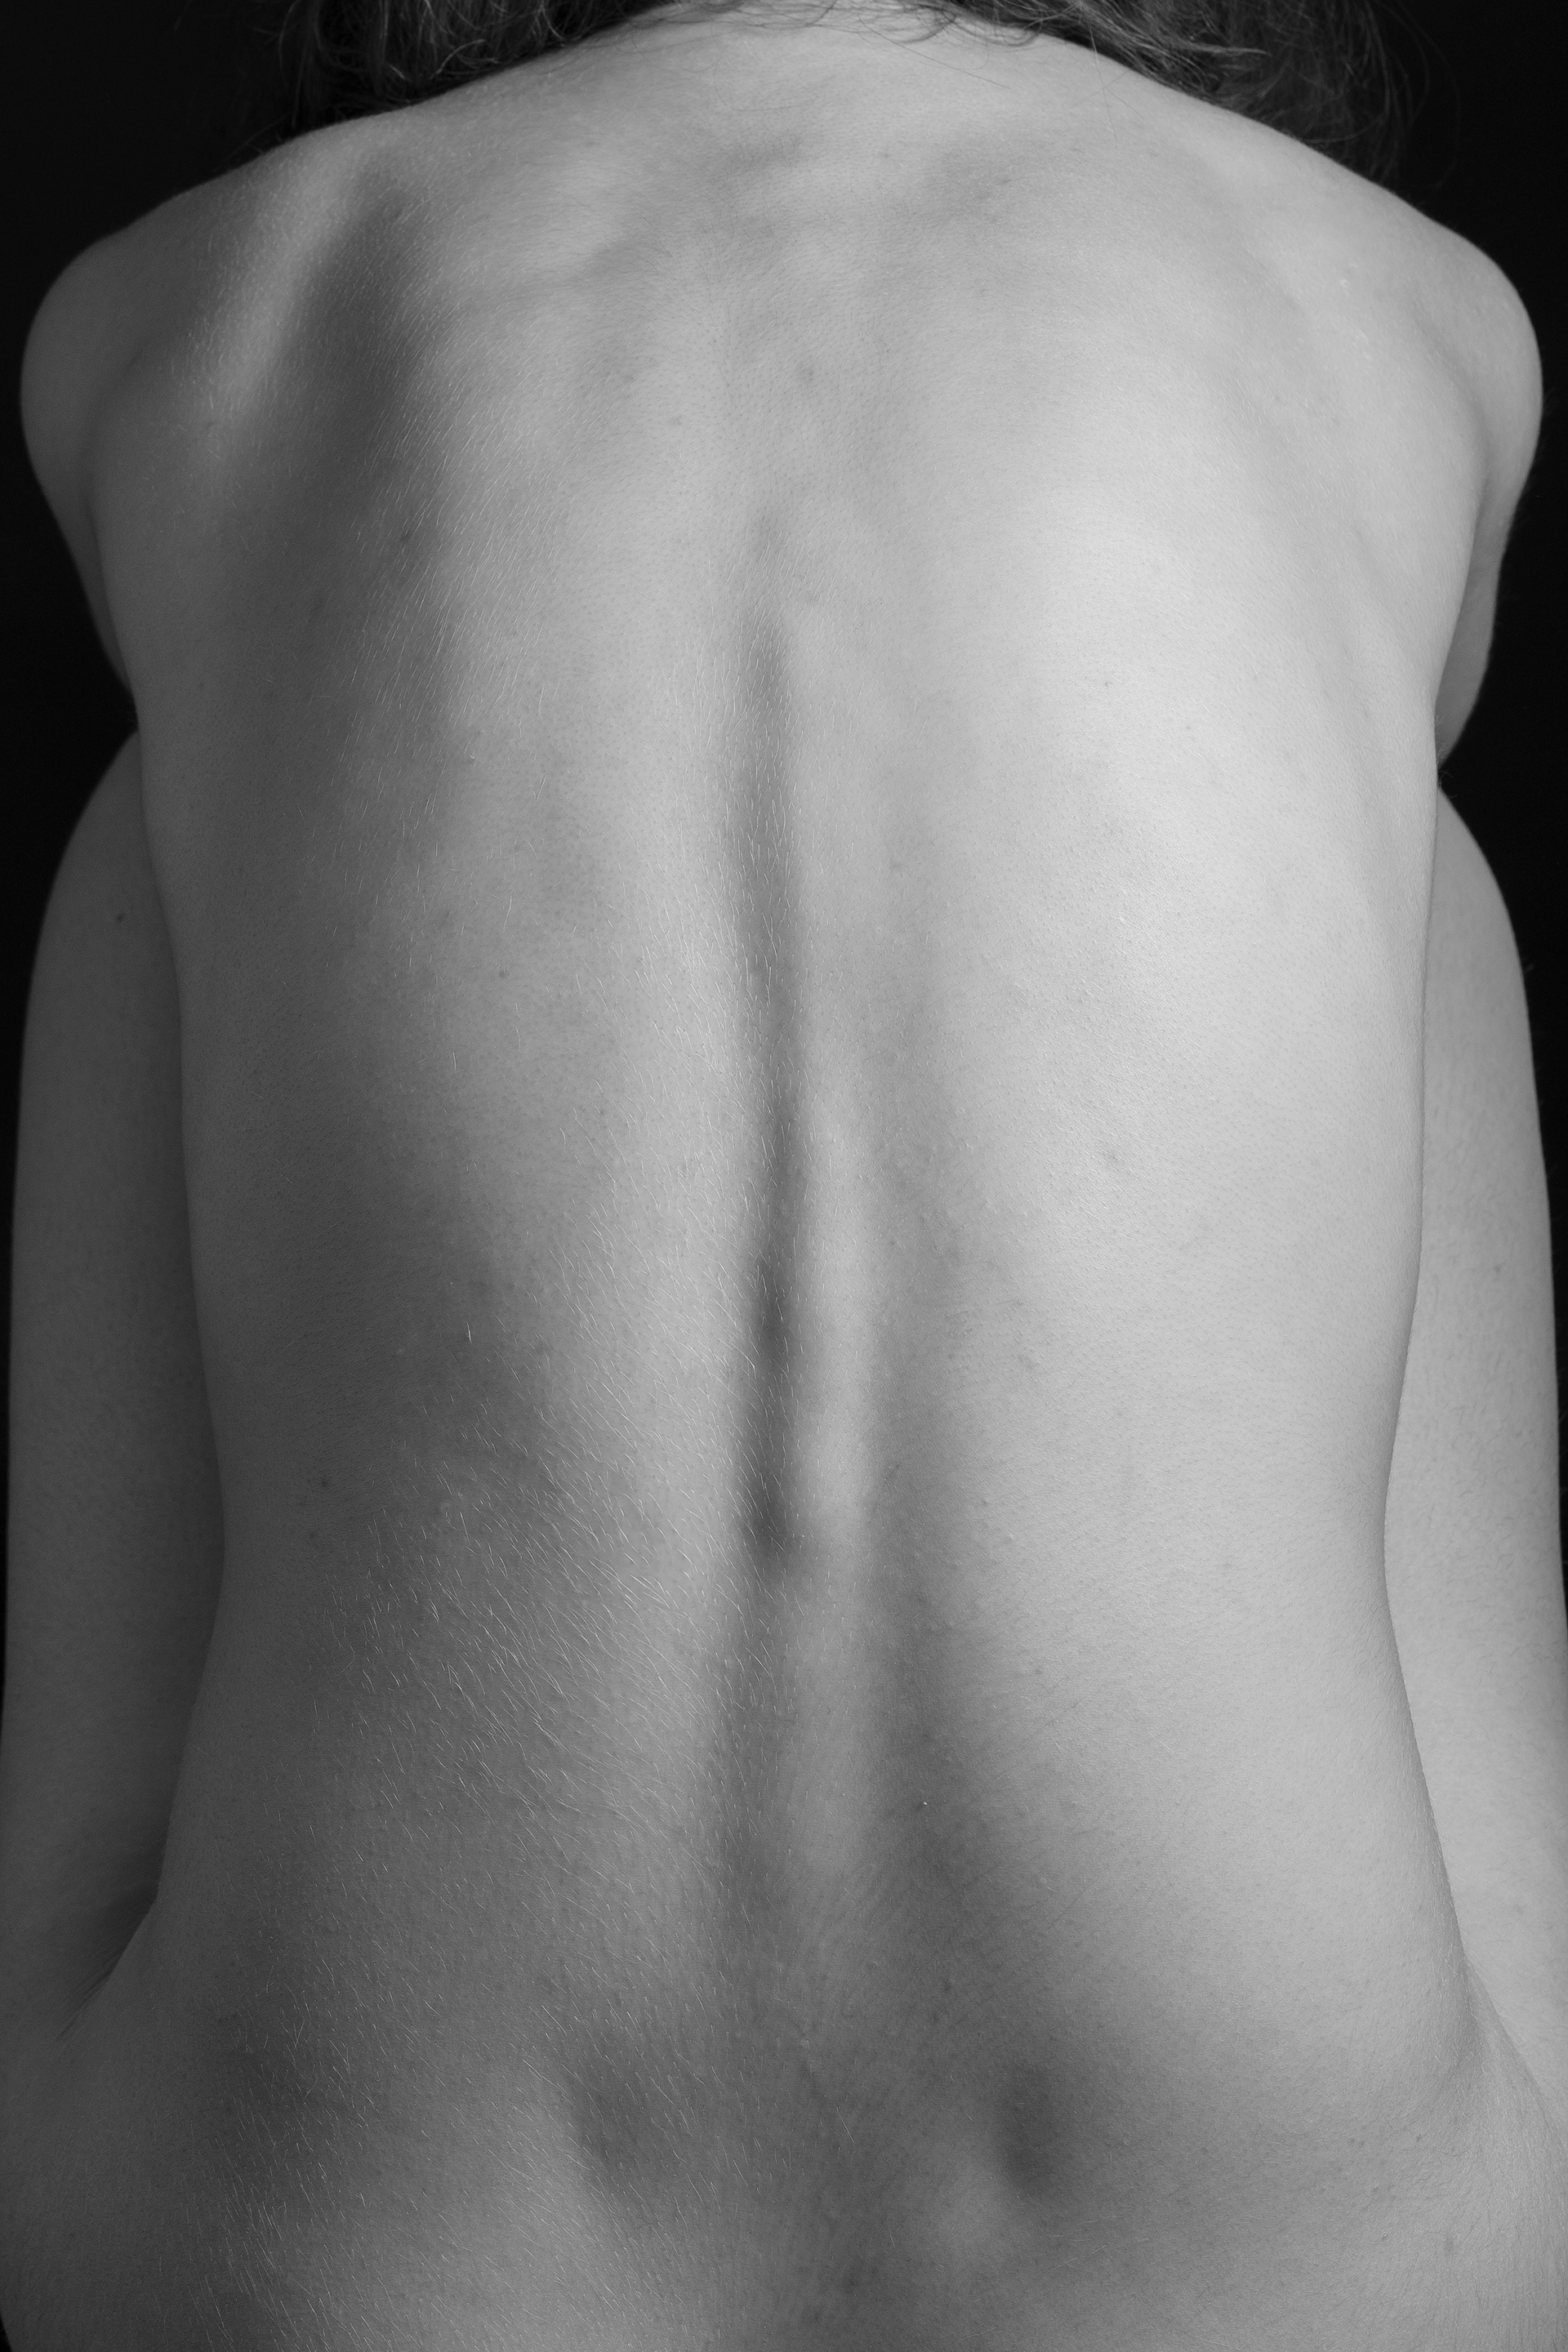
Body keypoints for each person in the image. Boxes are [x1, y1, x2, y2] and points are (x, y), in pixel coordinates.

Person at [1, 0, 1563, 2341]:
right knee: (1396, 859)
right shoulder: (1403, 308)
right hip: (1315, 2246)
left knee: (176, 818)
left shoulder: (199, 306)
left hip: (326, 2236)